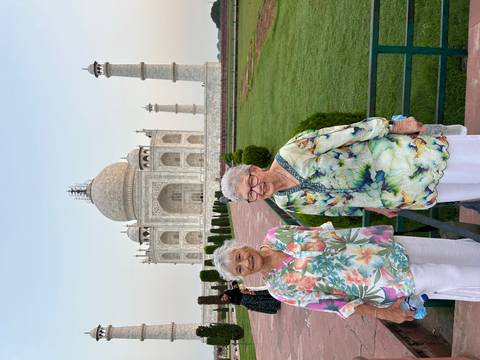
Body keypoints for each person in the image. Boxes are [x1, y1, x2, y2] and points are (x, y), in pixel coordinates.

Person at [213, 223, 480, 323]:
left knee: (453, 254)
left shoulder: (275, 234)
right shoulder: (280, 289)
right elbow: (334, 304)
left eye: (239, 256)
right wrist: (385, 312)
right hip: (379, 282)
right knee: (452, 274)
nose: (246, 263)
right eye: (240, 269)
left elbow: (321, 233)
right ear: (243, 277)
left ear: (242, 246)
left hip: (379, 247)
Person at [221, 117, 480, 217]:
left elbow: (345, 134)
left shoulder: (291, 152)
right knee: (469, 188)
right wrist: (373, 206)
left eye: (251, 182)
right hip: (394, 192)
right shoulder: (285, 203)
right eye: (251, 195)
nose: (257, 189)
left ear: (254, 169)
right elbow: (334, 208)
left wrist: (395, 126)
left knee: (469, 161)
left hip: (398, 158)